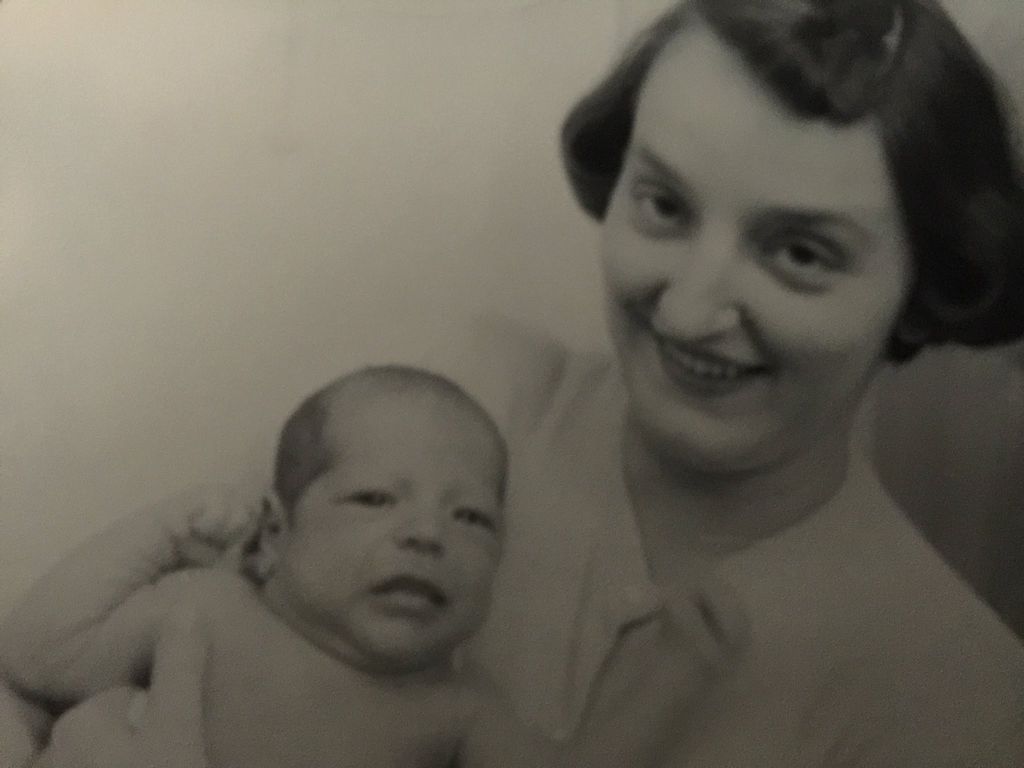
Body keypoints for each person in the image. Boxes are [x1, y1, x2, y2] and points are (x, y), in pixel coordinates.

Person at [9, 0, 1024, 764]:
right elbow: (41, 676)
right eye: (664, 204)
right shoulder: (446, 401)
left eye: (799, 252)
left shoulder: (960, 699)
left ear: (927, 283)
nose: (686, 310)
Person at [2, 366, 513, 767]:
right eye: (375, 498)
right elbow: (41, 658)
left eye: (472, 517)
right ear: (273, 532)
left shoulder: (463, 709)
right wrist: (163, 529)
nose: (428, 534)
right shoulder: (212, 611)